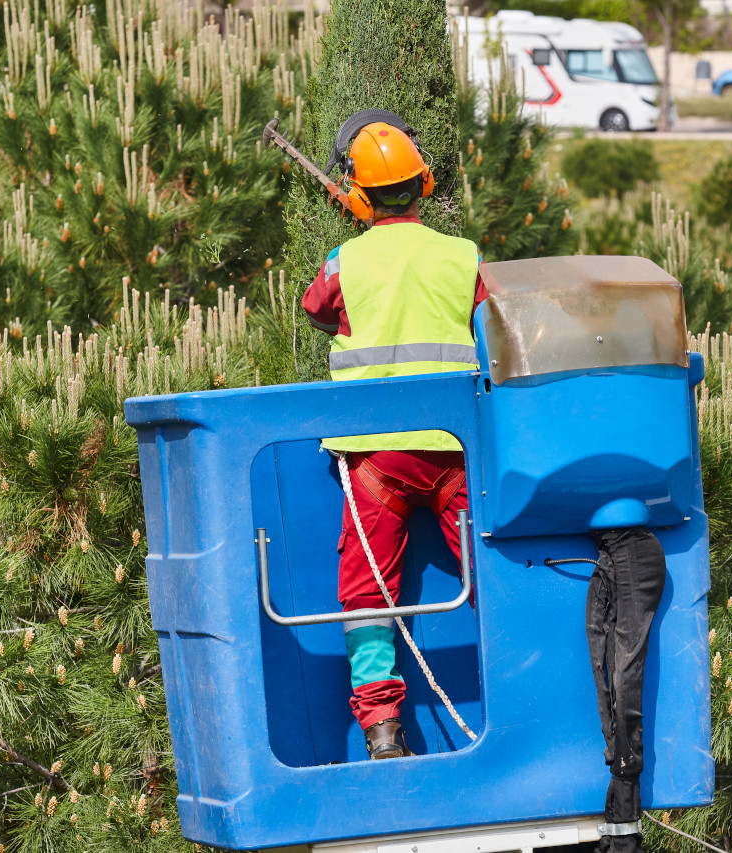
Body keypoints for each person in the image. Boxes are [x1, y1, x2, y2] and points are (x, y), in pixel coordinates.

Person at [302, 113, 487, 761]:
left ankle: (382, 731)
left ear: (358, 197)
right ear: (425, 182)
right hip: (456, 451)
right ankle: (525, 696)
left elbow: (316, 308)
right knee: (490, 570)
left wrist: (351, 237)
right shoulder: (463, 255)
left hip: (375, 458)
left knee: (365, 591)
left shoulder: (343, 263)